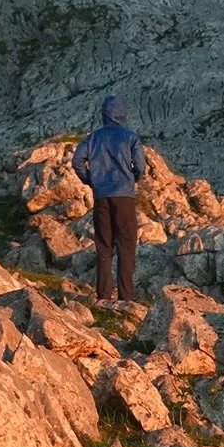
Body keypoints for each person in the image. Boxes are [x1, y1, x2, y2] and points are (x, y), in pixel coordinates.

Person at [73, 95, 144, 302]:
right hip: (124, 196)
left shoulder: (93, 137)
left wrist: (91, 180)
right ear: (123, 114)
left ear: (104, 115)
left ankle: (103, 294)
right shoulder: (130, 137)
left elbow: (78, 160)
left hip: (101, 195)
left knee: (104, 244)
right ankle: (126, 296)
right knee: (126, 244)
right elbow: (140, 165)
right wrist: (132, 178)